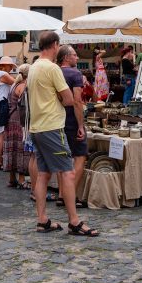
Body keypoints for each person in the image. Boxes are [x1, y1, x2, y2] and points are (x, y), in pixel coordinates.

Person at [28, 31, 99, 236]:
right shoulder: (52, 68)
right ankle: (74, 222)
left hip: (37, 126)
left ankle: (42, 220)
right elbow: (69, 99)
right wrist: (59, 98)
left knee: (43, 174)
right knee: (68, 172)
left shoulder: (34, 67)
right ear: (55, 45)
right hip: (52, 126)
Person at [56, 45, 88, 208]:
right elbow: (77, 101)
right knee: (80, 156)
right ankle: (71, 196)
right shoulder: (75, 74)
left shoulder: (55, 72)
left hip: (57, 119)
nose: (77, 58)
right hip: (71, 120)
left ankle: (62, 194)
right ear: (66, 57)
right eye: (75, 55)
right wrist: (80, 125)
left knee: (63, 159)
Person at [3, 64, 30, 189]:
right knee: (20, 149)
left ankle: (12, 178)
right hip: (19, 121)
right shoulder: (23, 86)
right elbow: (25, 105)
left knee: (12, 149)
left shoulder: (14, 85)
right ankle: (21, 179)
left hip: (10, 120)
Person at [0, 55, 16, 169]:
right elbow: (15, 82)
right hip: (2, 105)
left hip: (0, 104)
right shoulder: (2, 74)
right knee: (1, 134)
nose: (11, 68)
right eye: (10, 66)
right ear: (5, 65)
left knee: (1, 133)